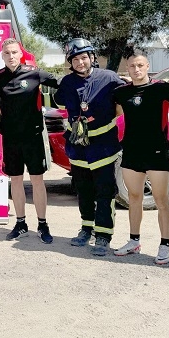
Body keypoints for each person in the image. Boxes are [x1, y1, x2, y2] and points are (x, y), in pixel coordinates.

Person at [0, 38, 59, 244]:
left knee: (37, 180)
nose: (11, 56)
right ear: (2, 55)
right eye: (7, 53)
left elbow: (63, 84)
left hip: (33, 138)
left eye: (14, 52)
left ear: (21, 54)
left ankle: (43, 224)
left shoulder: (35, 73)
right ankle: (21, 223)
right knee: (15, 180)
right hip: (10, 139)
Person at [54, 38, 126, 256]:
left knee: (104, 192)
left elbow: (123, 104)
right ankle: (86, 228)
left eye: (84, 57)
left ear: (92, 58)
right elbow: (59, 103)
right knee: (84, 192)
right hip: (78, 148)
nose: (80, 62)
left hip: (103, 147)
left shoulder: (110, 78)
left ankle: (103, 236)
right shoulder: (66, 83)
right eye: (75, 59)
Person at [112, 49, 169, 265]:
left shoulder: (164, 89)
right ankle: (134, 241)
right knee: (133, 198)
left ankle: (164, 245)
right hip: (131, 151)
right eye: (132, 66)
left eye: (140, 65)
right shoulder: (121, 93)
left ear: (147, 66)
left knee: (161, 200)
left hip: (157, 152)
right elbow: (116, 116)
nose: (136, 69)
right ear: (127, 68)